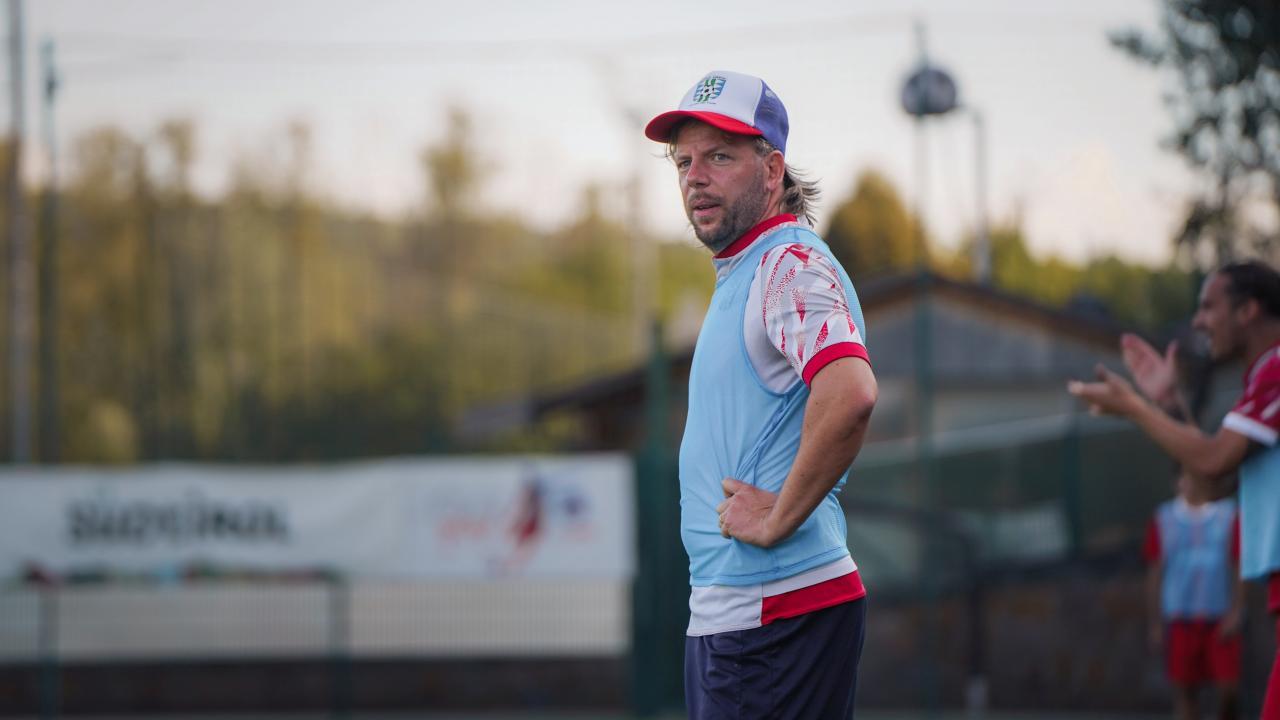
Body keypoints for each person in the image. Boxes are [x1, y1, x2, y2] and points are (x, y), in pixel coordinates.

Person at [644, 70, 878, 719]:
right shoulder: (752, 269)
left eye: (720, 156)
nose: (695, 176)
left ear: (772, 171)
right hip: (747, 614)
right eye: (684, 160)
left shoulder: (786, 263)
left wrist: (777, 519)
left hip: (772, 612)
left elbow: (852, 392)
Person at [1069, 260, 1280, 719]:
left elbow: (1213, 458)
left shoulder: (1277, 369)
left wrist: (1136, 409)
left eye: (1208, 307)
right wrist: (1168, 404)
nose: (1198, 321)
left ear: (1247, 311)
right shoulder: (1262, 378)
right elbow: (1214, 474)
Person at [1144, 469, 1243, 720]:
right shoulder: (1164, 518)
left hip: (1219, 618)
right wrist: (1155, 622)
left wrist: (1236, 610)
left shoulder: (1228, 515)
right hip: (1180, 617)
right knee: (1186, 692)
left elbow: (1239, 565)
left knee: (1228, 689)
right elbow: (1154, 573)